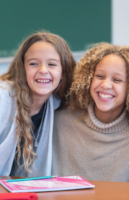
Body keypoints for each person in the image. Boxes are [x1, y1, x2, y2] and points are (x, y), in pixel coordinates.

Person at [52, 43, 129, 183]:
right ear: (88, 78)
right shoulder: (58, 123)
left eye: (117, 80)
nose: (106, 85)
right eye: (99, 76)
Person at [0, 32, 76, 177]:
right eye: (34, 63)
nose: (43, 70)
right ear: (23, 68)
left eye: (52, 64)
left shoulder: (58, 105)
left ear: (63, 72)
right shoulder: (3, 97)